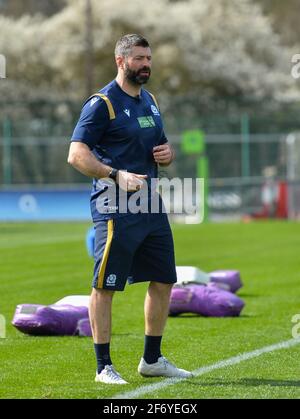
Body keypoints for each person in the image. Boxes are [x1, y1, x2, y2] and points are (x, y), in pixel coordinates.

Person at [68, 34, 193, 384]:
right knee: (106, 285)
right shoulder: (102, 103)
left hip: (150, 204)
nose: (146, 65)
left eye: (149, 58)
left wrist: (167, 153)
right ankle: (102, 366)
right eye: (139, 58)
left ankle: (152, 360)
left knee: (165, 279)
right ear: (121, 61)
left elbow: (160, 144)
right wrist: (115, 174)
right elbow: (76, 155)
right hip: (114, 208)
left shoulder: (149, 100)